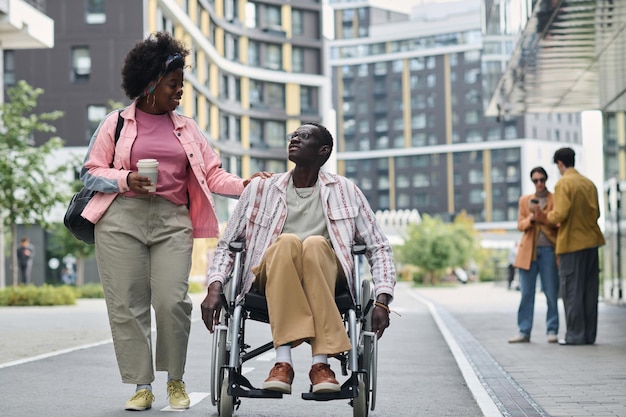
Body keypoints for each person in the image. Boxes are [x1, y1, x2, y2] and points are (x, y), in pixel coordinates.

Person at [80, 32, 267, 411]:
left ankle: (176, 381)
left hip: (172, 220)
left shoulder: (187, 128)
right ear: (149, 84)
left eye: (181, 84)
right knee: (127, 305)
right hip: (120, 219)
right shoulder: (115, 124)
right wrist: (125, 178)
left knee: (172, 302)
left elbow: (214, 176)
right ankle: (141, 385)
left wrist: (246, 185)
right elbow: (89, 172)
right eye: (172, 84)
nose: (179, 91)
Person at [201, 122, 396, 395]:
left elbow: (378, 247)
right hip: (270, 277)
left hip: (326, 275)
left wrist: (382, 299)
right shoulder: (260, 189)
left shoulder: (345, 190)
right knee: (287, 242)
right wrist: (215, 285)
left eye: (304, 137)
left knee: (315, 244)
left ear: (323, 151)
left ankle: (320, 365)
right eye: (293, 136)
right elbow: (226, 245)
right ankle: (283, 362)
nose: (294, 140)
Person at [542, 147, 605, 345]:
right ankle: (588, 335)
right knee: (589, 290)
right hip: (592, 243)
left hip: (571, 244)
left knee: (572, 290)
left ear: (560, 163)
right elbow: (597, 214)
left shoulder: (564, 184)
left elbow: (560, 214)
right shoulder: (589, 184)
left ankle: (575, 336)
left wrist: (545, 216)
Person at [508, 167, 560, 344]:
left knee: (551, 292)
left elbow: (557, 222)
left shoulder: (555, 199)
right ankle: (523, 331)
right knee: (526, 293)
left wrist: (541, 215)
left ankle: (552, 329)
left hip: (549, 250)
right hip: (528, 252)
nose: (539, 183)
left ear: (546, 179)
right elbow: (520, 225)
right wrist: (531, 217)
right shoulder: (525, 200)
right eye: (535, 180)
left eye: (542, 179)